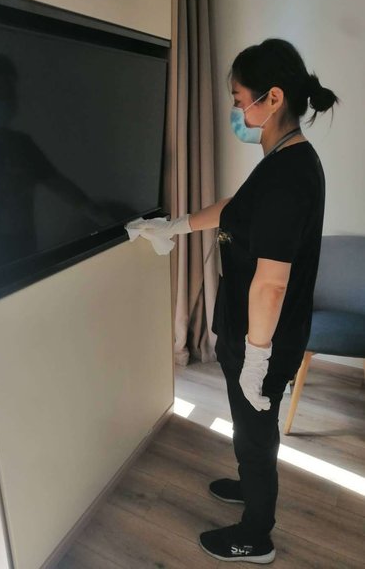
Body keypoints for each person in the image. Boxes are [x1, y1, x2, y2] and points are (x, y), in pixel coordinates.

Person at [125, 38, 339, 563]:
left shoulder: (289, 175)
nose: (236, 111)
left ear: (272, 97)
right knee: (251, 428)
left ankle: (256, 535)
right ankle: (251, 485)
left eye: (240, 99)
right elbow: (234, 208)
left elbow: (271, 283)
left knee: (255, 431)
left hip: (264, 336)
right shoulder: (282, 158)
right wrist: (175, 226)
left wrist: (257, 359)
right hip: (250, 328)